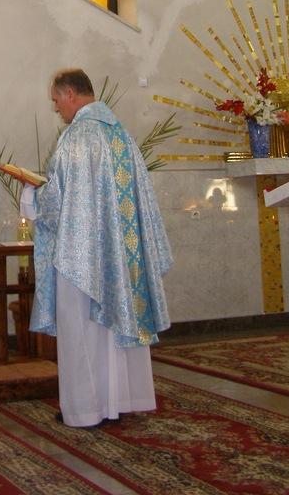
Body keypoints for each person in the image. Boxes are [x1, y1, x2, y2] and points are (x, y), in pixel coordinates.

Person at [21, 69, 173, 428]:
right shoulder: (122, 136)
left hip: (82, 258)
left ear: (71, 94)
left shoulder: (76, 138)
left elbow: (55, 201)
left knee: (83, 332)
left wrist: (31, 194)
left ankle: (87, 409)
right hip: (121, 258)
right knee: (114, 328)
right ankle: (120, 401)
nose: (56, 108)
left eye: (56, 100)